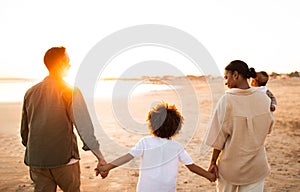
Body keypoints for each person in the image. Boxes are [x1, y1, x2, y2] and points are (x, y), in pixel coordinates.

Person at [20, 46, 107, 192]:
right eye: (67, 61)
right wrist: (100, 158)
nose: (70, 64)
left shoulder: (30, 92)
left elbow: (25, 132)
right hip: (64, 159)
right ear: (60, 64)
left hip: (37, 160)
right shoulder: (70, 91)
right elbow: (84, 127)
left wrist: (36, 150)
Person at [96, 102, 216, 192]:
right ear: (176, 128)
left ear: (152, 124)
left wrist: (106, 167)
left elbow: (127, 157)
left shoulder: (145, 142)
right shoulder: (176, 147)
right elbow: (191, 166)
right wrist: (209, 176)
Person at [204, 60, 274, 192]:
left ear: (236, 75)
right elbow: (268, 128)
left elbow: (218, 137)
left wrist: (213, 161)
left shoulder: (227, 100)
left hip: (231, 168)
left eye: (226, 77)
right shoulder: (264, 98)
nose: (226, 82)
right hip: (257, 167)